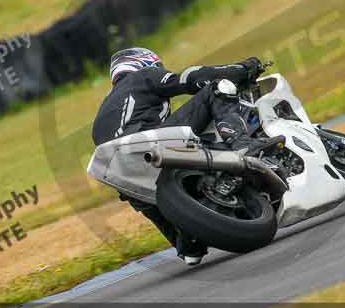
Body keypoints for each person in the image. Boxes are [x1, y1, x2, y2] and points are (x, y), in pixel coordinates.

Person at [92, 47, 265, 265]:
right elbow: (191, 78)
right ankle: (244, 145)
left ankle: (187, 243)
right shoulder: (141, 77)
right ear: (145, 63)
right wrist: (243, 69)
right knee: (216, 88)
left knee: (149, 207)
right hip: (148, 142)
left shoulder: (104, 111)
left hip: (122, 170)